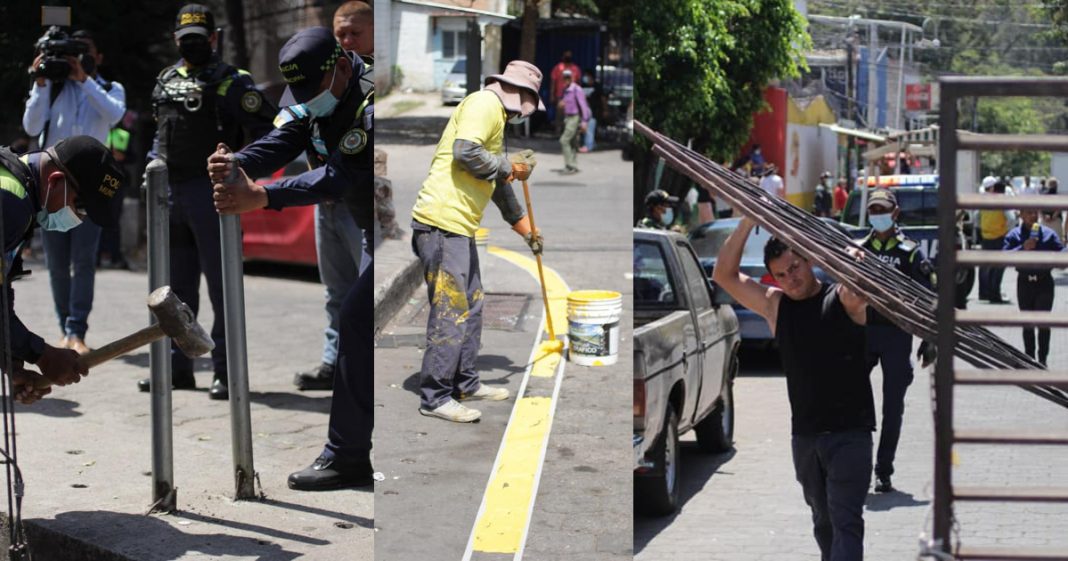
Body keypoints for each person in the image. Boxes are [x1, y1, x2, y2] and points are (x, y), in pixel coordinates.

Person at [207, 26, 374, 489]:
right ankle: (353, 449)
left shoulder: (370, 104)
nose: (305, 100)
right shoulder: (315, 93)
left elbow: (338, 177)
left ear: (342, 66)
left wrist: (262, 196)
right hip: (370, 229)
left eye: (312, 90)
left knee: (358, 323)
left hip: (396, 230)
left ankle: (348, 455)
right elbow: (285, 140)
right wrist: (237, 162)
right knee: (359, 326)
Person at [713, 217, 874, 561]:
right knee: (823, 523)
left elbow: (855, 290)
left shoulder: (841, 300)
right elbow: (724, 275)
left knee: (846, 521)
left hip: (850, 434)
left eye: (795, 267)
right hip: (805, 438)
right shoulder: (776, 306)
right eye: (781, 275)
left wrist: (851, 261)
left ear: (809, 259)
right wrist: (746, 223)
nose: (791, 279)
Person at [139, 4, 276, 400]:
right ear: (175, 40)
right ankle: (176, 368)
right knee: (172, 290)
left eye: (200, 38)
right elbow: (158, 136)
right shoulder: (165, 79)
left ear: (214, 39)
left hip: (212, 192)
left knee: (222, 286)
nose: (192, 45)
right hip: (170, 194)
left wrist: (242, 169)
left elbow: (269, 130)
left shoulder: (234, 81)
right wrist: (152, 165)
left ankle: (226, 373)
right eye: (186, 40)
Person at [408, 60, 543, 423]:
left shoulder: (495, 118)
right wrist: (508, 166)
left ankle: (464, 381)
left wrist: (527, 230)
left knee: (472, 303)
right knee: (451, 310)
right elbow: (465, 153)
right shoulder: (484, 105)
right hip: (440, 223)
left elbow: (498, 184)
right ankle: (435, 396)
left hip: (458, 227)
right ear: (521, 97)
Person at [22, 29, 126, 356]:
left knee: (83, 261)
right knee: (56, 262)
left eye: (84, 52)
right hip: (52, 189)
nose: (76, 59)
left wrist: (85, 80)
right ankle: (63, 328)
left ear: (98, 57)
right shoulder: (52, 89)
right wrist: (39, 84)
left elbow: (114, 114)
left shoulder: (110, 88)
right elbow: (31, 127)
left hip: (89, 191)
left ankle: (76, 329)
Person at [0, 135, 125, 404]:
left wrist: (12, 363)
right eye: (80, 207)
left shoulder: (19, 191)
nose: (79, 220)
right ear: (56, 180)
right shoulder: (9, 202)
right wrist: (42, 354)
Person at [291, 0, 374, 391]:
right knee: (335, 291)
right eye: (340, 33)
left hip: (360, 206)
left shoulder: (372, 86)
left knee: (365, 293)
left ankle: (365, 367)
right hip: (326, 201)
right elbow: (297, 126)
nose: (347, 40)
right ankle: (333, 364)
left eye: (355, 33)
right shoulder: (326, 76)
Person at [858, 189, 934, 493]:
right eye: (873, 209)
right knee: (854, 404)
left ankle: (883, 470)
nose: (877, 214)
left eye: (883, 209)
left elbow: (929, 297)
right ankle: (858, 466)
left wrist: (930, 337)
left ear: (895, 213)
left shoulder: (911, 251)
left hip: (896, 334)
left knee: (893, 407)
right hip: (863, 333)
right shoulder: (860, 249)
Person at [1004, 208, 1063, 365]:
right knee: (1027, 324)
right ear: (1021, 215)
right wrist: (1023, 248)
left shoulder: (1049, 234)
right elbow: (1004, 257)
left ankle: (1042, 360)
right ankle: (1029, 359)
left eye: (1035, 212)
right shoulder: (1014, 235)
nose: (1033, 216)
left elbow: (1062, 254)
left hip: (1044, 283)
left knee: (1043, 324)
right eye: (1028, 213)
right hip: (1024, 283)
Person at [978, 179, 1014, 304]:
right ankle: (995, 295)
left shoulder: (984, 202)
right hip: (1000, 237)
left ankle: (985, 293)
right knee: (998, 269)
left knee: (987, 267)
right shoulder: (1002, 202)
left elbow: (976, 217)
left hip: (985, 237)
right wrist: (1008, 230)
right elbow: (1012, 219)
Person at [557, 69, 590, 175]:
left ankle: (570, 165)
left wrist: (585, 122)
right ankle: (574, 165)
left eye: (568, 77)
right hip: (567, 118)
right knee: (573, 142)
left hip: (574, 118)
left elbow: (583, 106)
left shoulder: (577, 89)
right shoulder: (566, 90)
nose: (566, 79)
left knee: (564, 140)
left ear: (573, 78)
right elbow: (564, 103)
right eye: (564, 77)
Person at [549, 51, 581, 132]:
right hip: (560, 94)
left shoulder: (575, 69)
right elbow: (553, 82)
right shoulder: (558, 67)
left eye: (569, 56)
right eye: (566, 56)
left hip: (572, 95)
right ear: (563, 57)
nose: (567, 57)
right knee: (560, 113)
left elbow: (578, 83)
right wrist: (552, 95)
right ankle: (558, 131)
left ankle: (567, 131)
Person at [1041, 177, 1064, 242]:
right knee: (1058, 240)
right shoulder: (1058, 195)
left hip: (1047, 220)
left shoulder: (1043, 195)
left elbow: (1039, 207)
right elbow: (1060, 207)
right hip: (1055, 220)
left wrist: (1044, 216)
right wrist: (1053, 216)